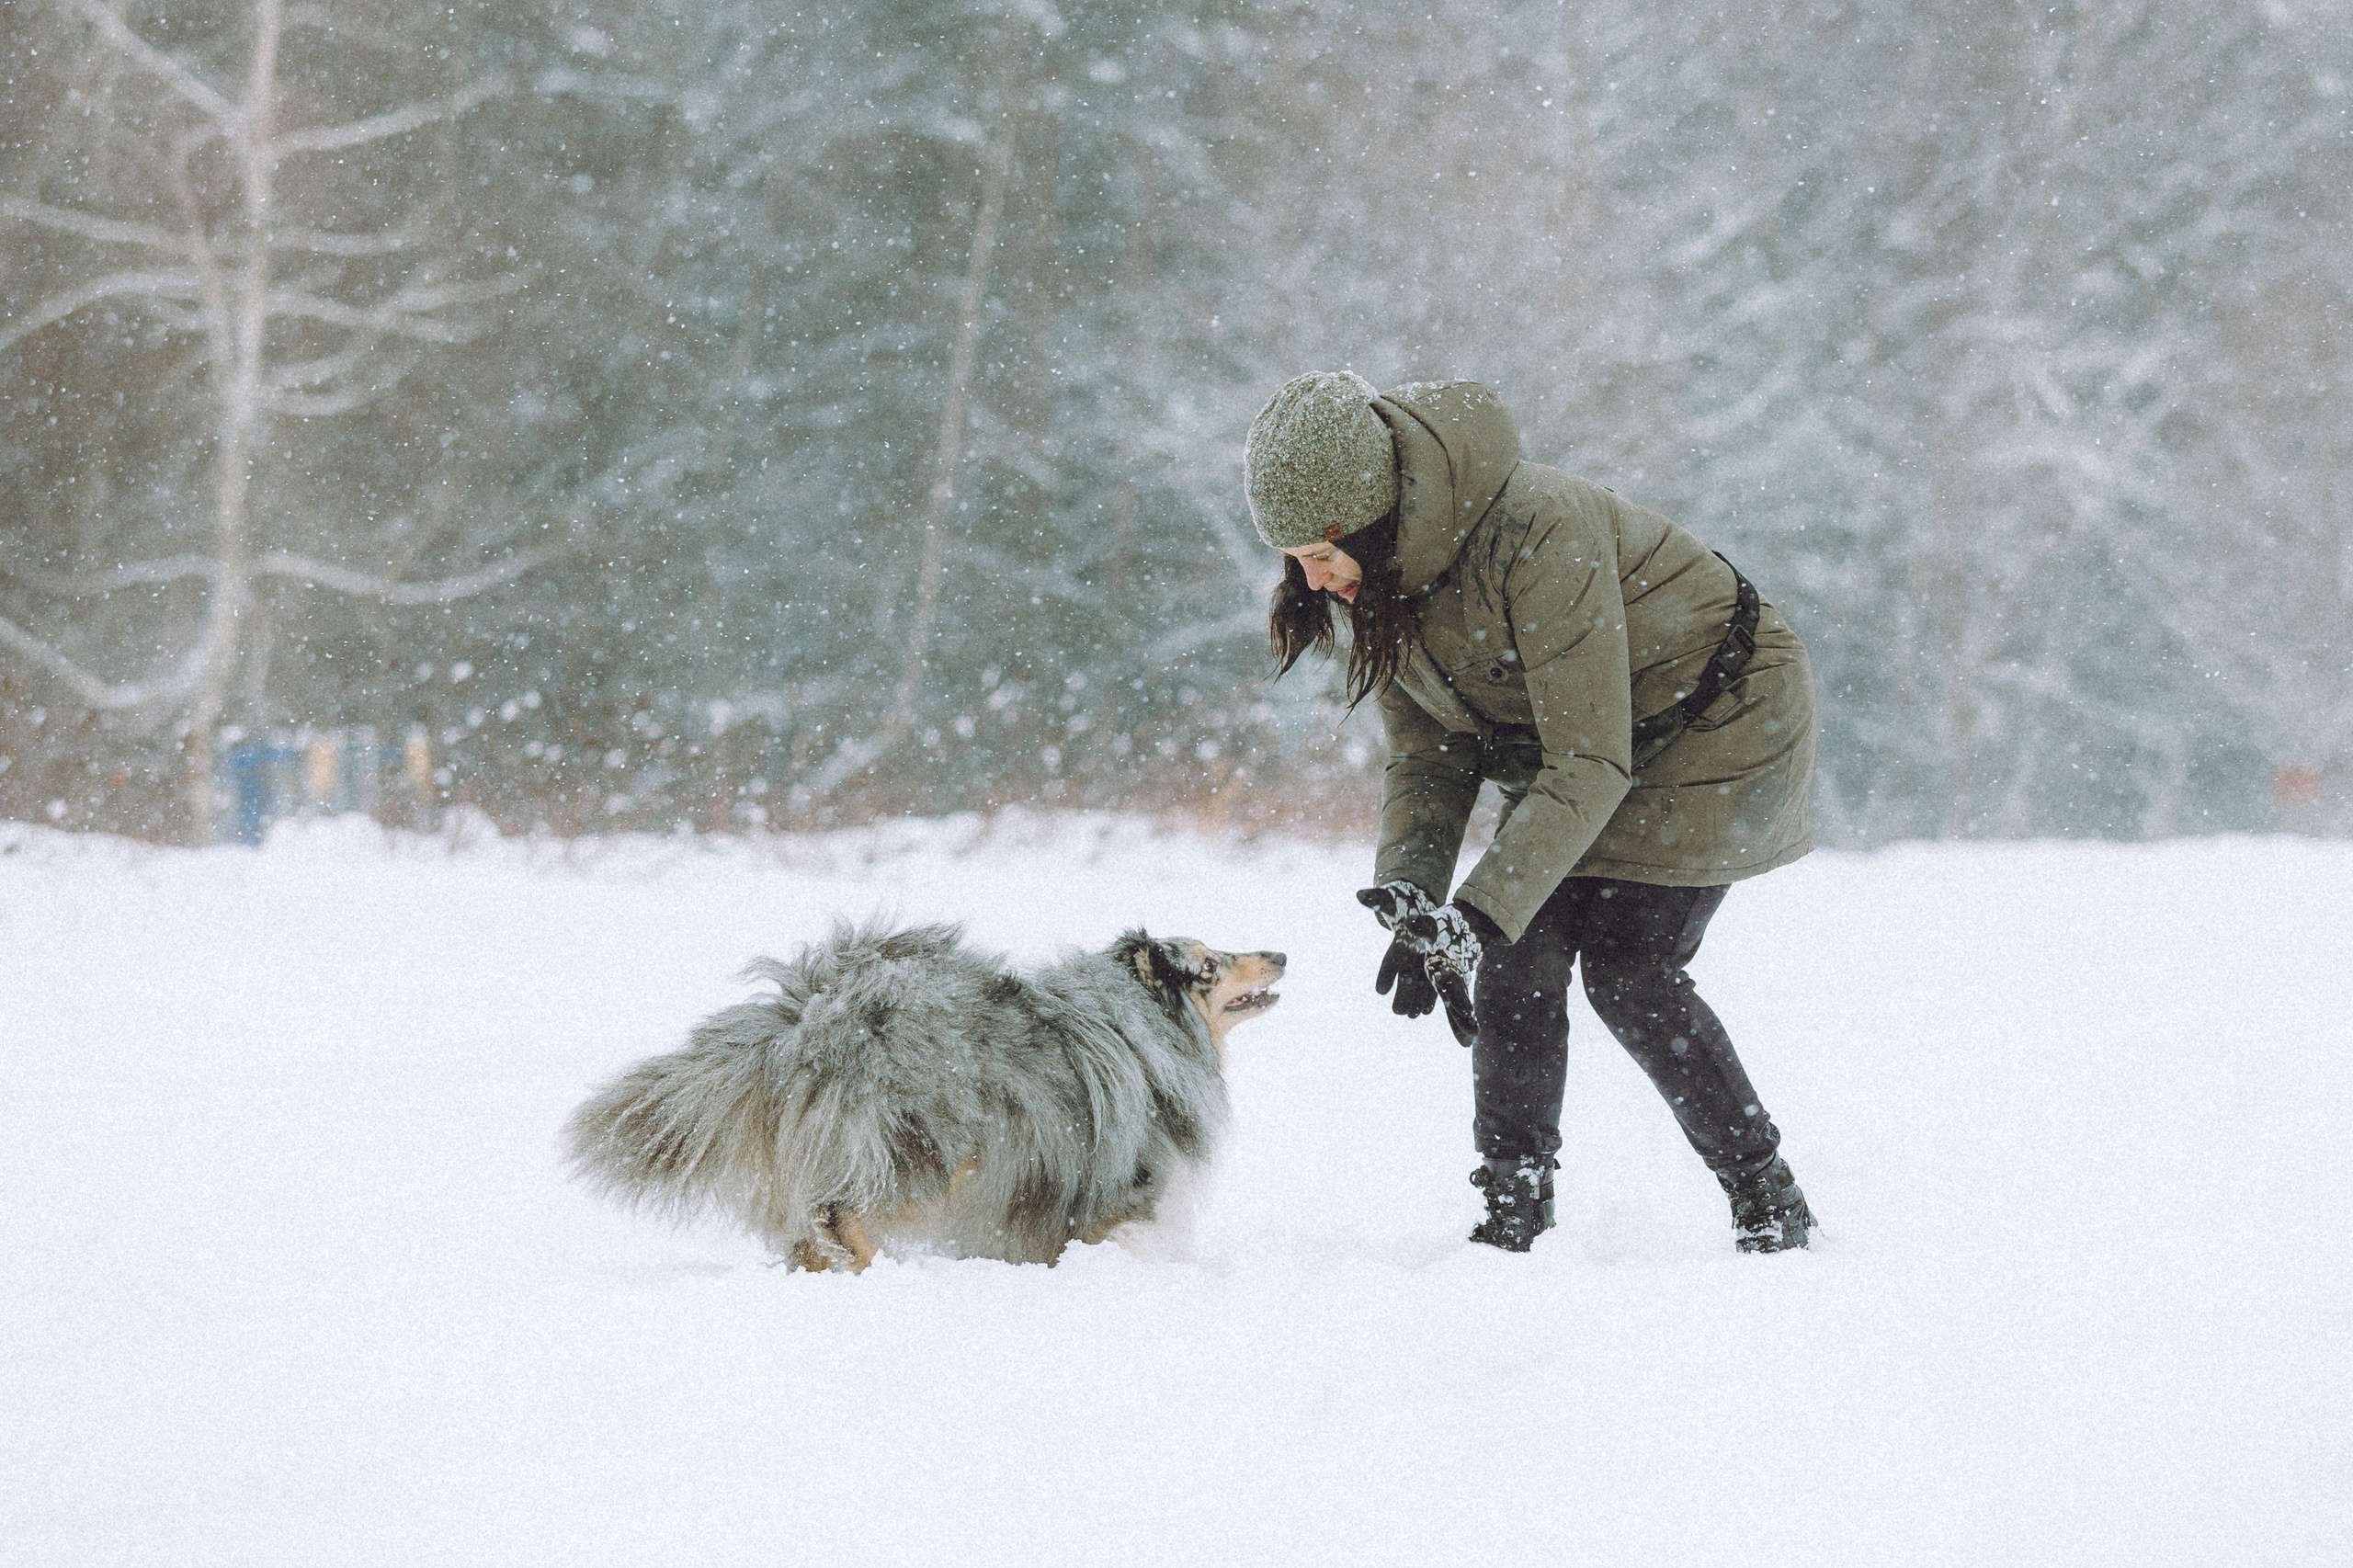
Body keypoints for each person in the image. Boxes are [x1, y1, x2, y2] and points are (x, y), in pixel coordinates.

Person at [1246, 371, 1819, 1253]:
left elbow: (1590, 761)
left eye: (1320, 552)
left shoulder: (1538, 531)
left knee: (1630, 970)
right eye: (1294, 560)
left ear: (1368, 517)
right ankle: (1514, 1211)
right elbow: (1431, 754)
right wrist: (1413, 894)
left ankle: (1768, 1200)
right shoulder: (1382, 581)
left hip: (1716, 716)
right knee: (1517, 956)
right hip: (1586, 744)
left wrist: (1474, 914)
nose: (1312, 580)